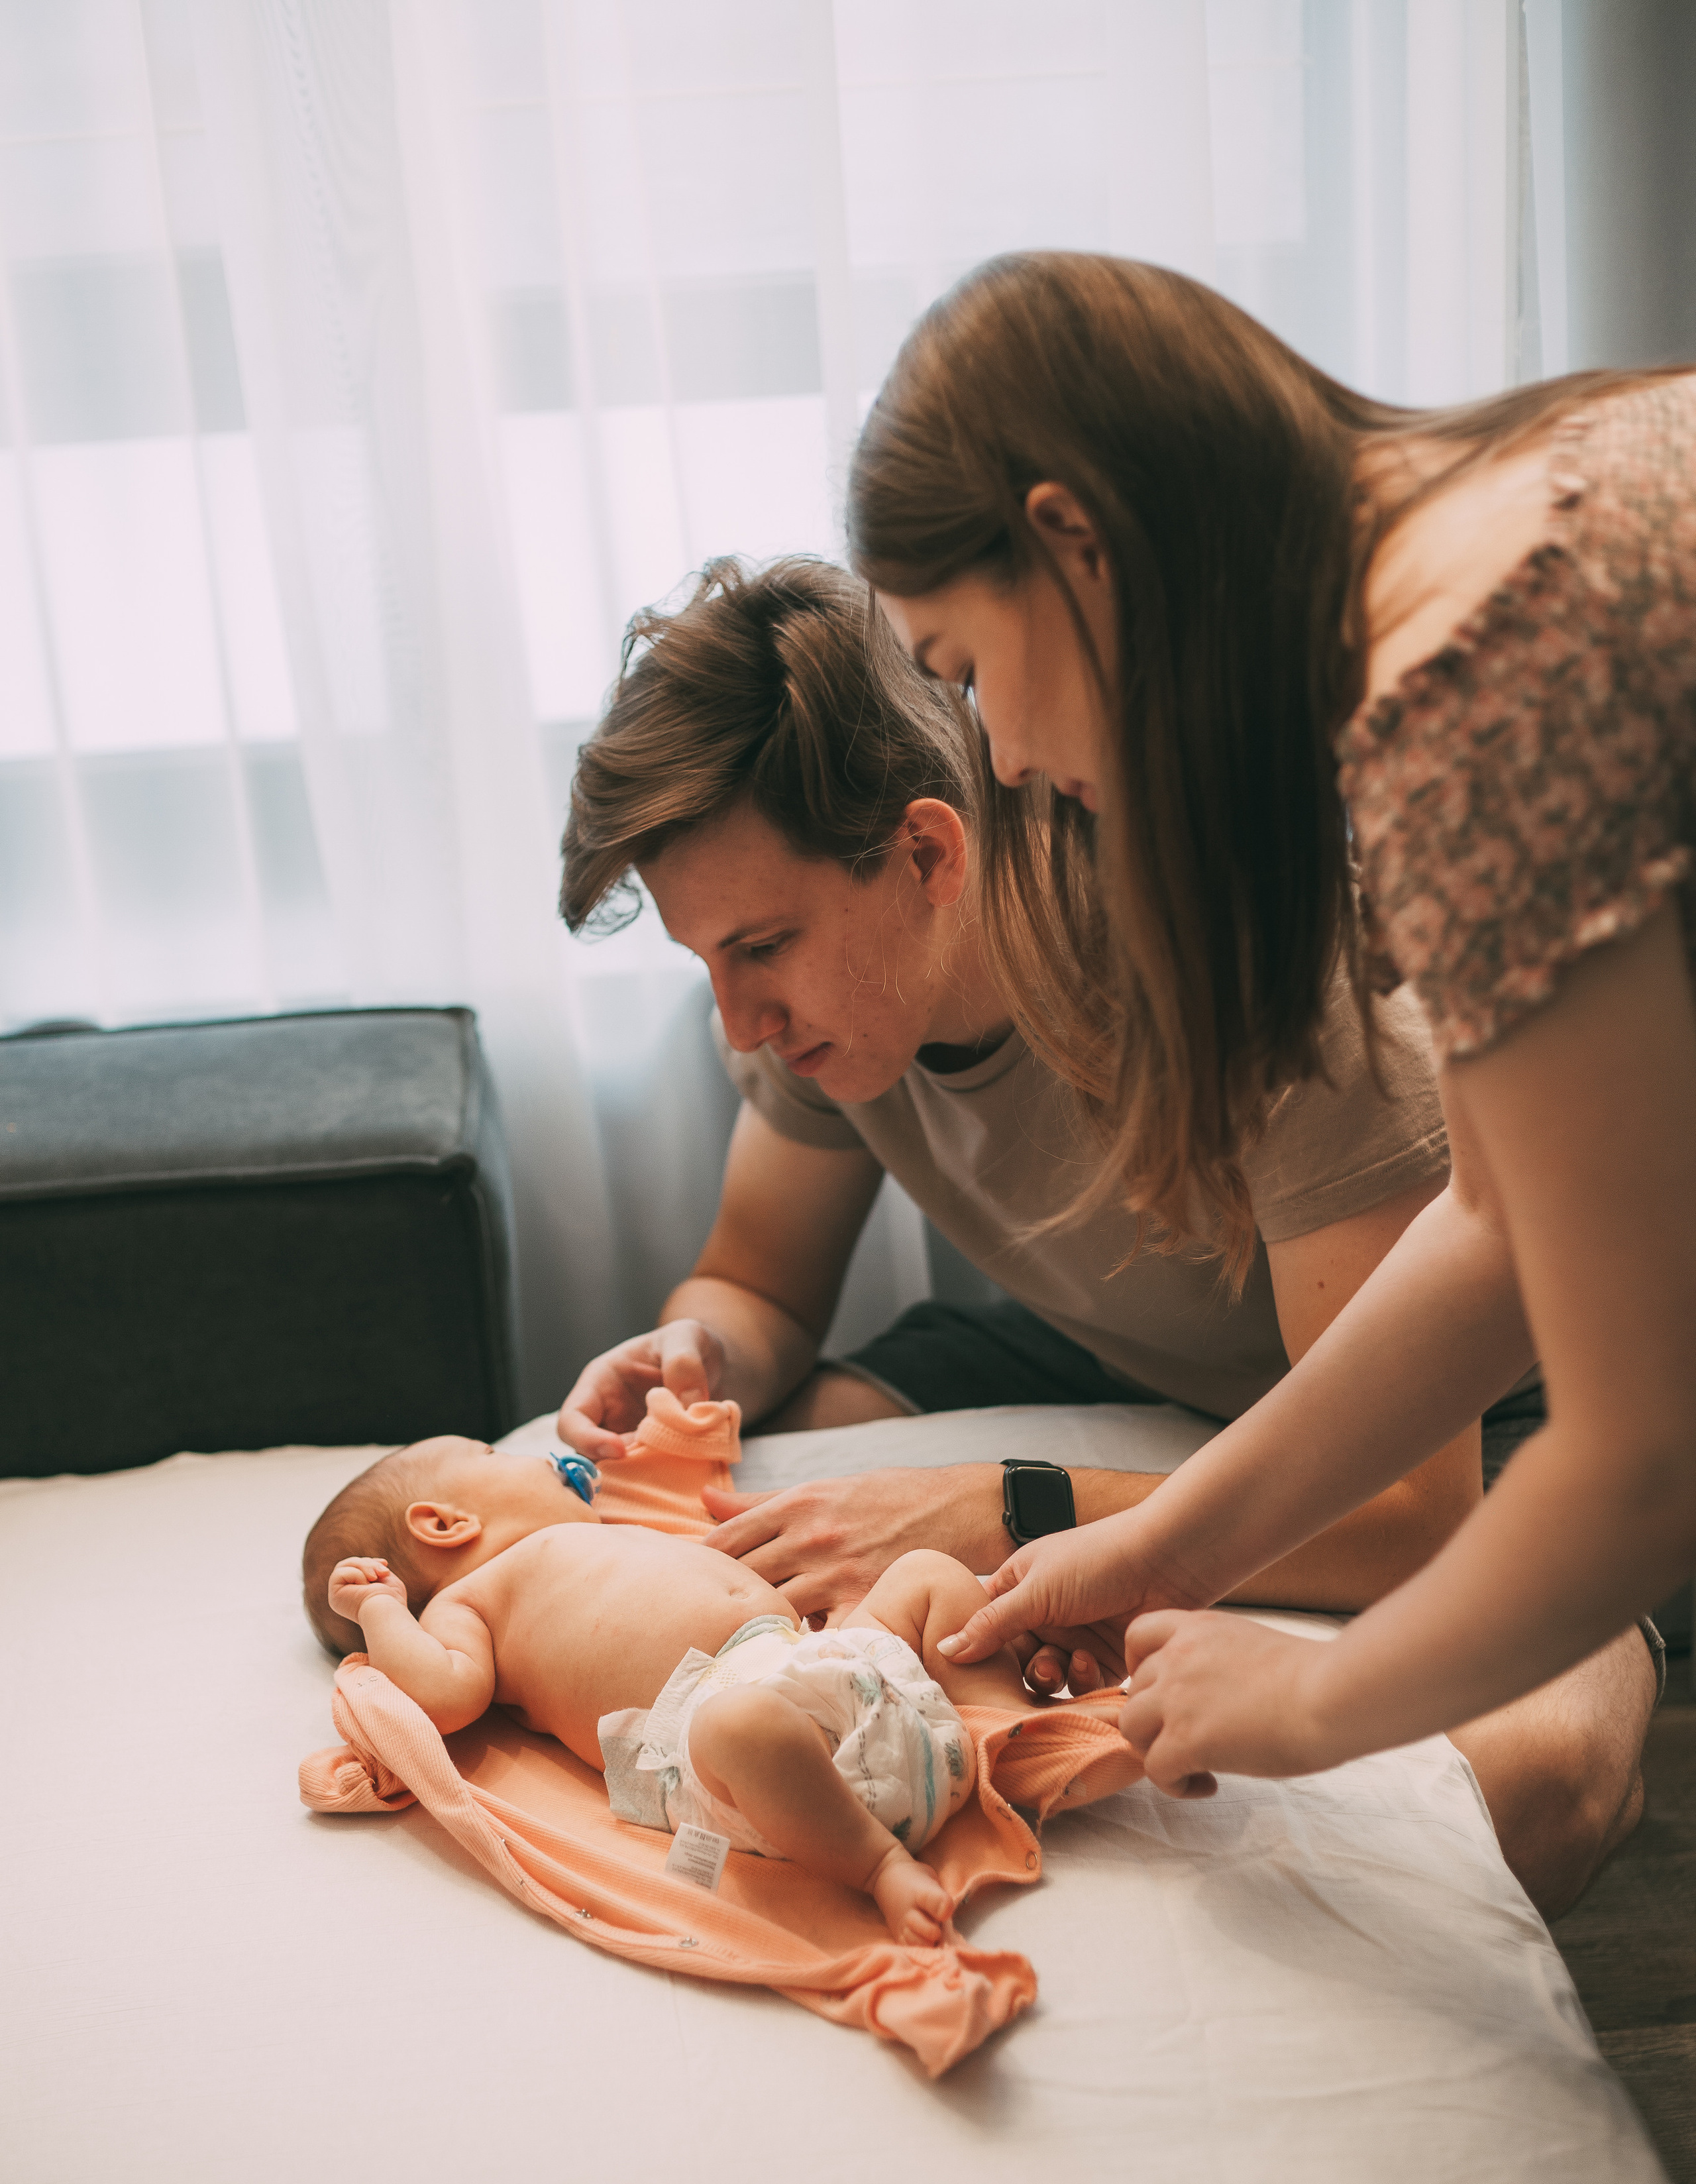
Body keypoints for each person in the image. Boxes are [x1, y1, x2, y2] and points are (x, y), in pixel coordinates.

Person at [553, 557, 1656, 1912]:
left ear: (926, 851)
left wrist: (998, 1508)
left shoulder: (1242, 959)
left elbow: (1407, 1508)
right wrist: (697, 1348)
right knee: (730, 1496)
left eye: (761, 949)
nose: (736, 1023)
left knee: (1529, 1782)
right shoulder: (822, 1014)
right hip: (1133, 1334)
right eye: (706, 963)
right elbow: (753, 1282)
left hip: (1499, 1407)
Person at [846, 249, 1691, 1823]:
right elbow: (1495, 1232)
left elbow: (1641, 1451)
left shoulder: (1468, 677)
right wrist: (1158, 1551)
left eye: (968, 673)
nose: (1007, 760)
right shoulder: (1500, 507)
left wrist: (1304, 1698)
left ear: (1074, 544)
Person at [303, 1431, 1077, 1944]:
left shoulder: (599, 1534)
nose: (542, 1458)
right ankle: (878, 1868)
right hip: (725, 1741)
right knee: (741, 1725)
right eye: (492, 1450)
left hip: (818, 1660)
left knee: (924, 1576)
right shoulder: (466, 1602)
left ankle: (1007, 1737)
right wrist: (381, 1610)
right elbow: (444, 1697)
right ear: (444, 1523)